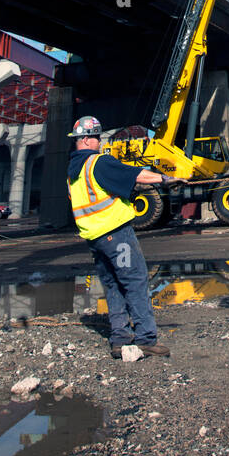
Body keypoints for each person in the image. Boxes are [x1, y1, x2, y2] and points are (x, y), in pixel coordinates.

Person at [66, 116, 170, 360]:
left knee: (113, 284)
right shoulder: (98, 163)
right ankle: (146, 339)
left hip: (94, 239)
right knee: (135, 280)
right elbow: (135, 174)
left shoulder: (73, 172)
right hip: (116, 234)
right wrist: (164, 179)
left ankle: (120, 339)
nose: (100, 142)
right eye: (97, 137)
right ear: (87, 139)